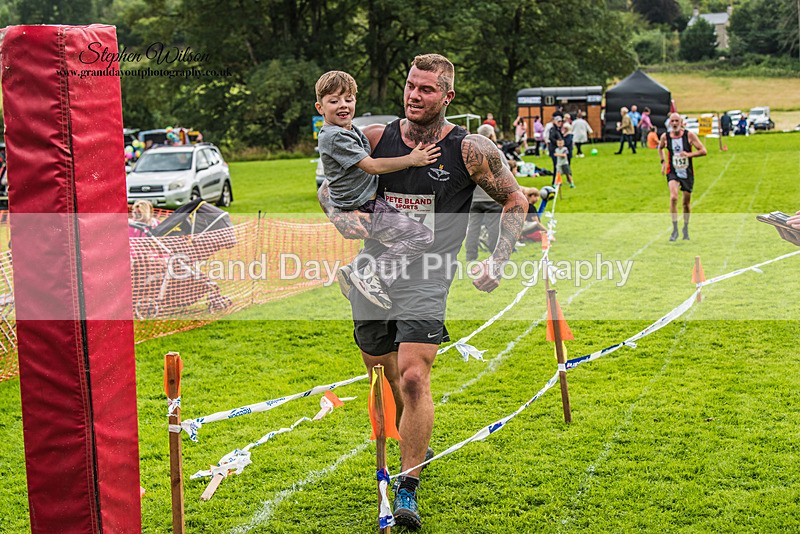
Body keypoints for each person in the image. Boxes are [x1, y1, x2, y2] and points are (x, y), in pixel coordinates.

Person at [317, 54, 528, 530]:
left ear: (447, 97)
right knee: (384, 378)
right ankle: (416, 438)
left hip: (429, 276)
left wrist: (498, 259)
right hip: (370, 275)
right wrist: (343, 218)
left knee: (414, 378)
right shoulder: (375, 139)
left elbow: (515, 198)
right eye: (411, 85)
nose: (415, 95)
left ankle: (407, 487)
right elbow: (329, 187)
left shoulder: (470, 150)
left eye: (427, 89)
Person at [315, 70, 440, 310]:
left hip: (364, 203)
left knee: (390, 239)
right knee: (421, 236)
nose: (343, 105)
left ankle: (354, 269)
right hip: (364, 208)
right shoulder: (335, 137)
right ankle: (374, 277)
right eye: (334, 101)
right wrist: (412, 159)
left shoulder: (347, 130)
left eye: (348, 99)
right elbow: (371, 166)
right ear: (320, 108)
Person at [658, 112, 707, 241]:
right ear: (669, 123)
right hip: (673, 171)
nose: (674, 124)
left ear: (681, 123)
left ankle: (685, 227)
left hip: (687, 172)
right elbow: (660, 148)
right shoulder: (665, 137)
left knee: (686, 203)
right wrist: (663, 162)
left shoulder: (689, 135)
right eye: (672, 121)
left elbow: (703, 151)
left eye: (676, 121)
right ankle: (675, 230)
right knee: (673, 197)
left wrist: (689, 155)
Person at [465, 124, 505, 261]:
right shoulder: (497, 153)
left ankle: (470, 256)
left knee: (473, 227)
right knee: (493, 227)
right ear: (491, 136)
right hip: (491, 197)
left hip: (474, 197)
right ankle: (494, 254)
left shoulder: (470, 153)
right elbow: (506, 174)